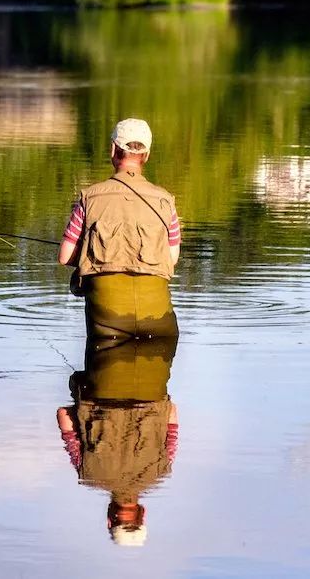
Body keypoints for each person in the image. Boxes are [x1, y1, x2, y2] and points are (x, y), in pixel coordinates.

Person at [58, 118, 181, 339]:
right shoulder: (166, 201)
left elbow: (65, 256)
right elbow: (171, 259)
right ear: (147, 155)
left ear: (113, 149)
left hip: (107, 324)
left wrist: (90, 253)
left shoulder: (89, 198)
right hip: (159, 323)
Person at [56, 336, 180, 547]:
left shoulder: (162, 469)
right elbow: (63, 416)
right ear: (108, 518)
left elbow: (172, 413)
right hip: (100, 381)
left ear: (143, 513)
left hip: (150, 381)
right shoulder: (87, 472)